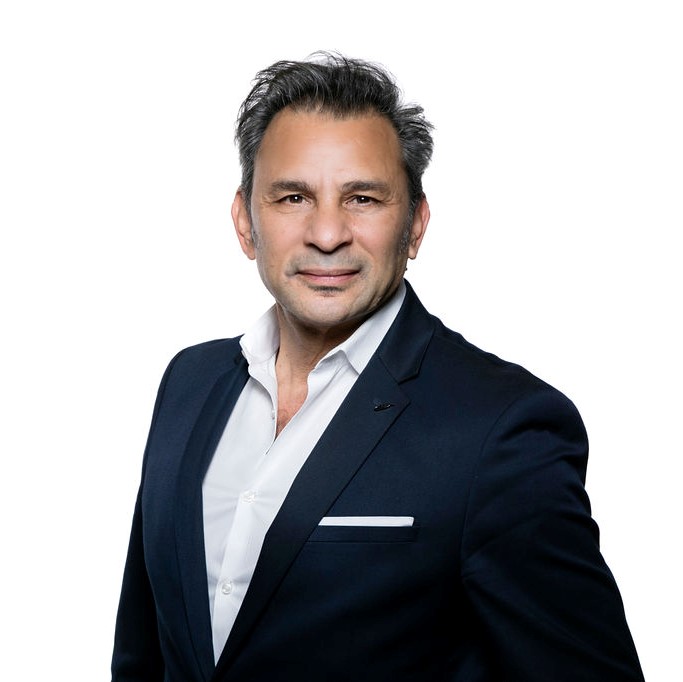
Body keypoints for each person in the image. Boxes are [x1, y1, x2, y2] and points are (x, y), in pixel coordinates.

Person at [112, 52, 644, 681]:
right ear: (245, 223)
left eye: (362, 198)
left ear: (415, 225)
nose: (327, 233)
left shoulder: (501, 429)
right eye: (292, 197)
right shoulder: (189, 383)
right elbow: (143, 656)